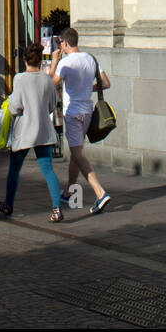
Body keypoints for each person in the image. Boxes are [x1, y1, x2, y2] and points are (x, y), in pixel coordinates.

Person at [0, 41, 63, 222]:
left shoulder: (19, 79)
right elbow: (52, 104)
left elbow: (15, 107)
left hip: (24, 131)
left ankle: (8, 204)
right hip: (43, 131)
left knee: (14, 169)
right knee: (48, 170)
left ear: (24, 60)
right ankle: (57, 208)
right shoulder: (46, 79)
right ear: (40, 61)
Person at [50, 28, 111, 215]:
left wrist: (54, 61)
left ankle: (100, 193)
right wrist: (87, 88)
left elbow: (51, 84)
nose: (60, 46)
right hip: (87, 111)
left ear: (65, 43)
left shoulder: (65, 63)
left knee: (77, 154)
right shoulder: (91, 59)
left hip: (73, 112)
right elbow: (105, 83)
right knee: (76, 151)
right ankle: (69, 191)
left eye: (60, 42)